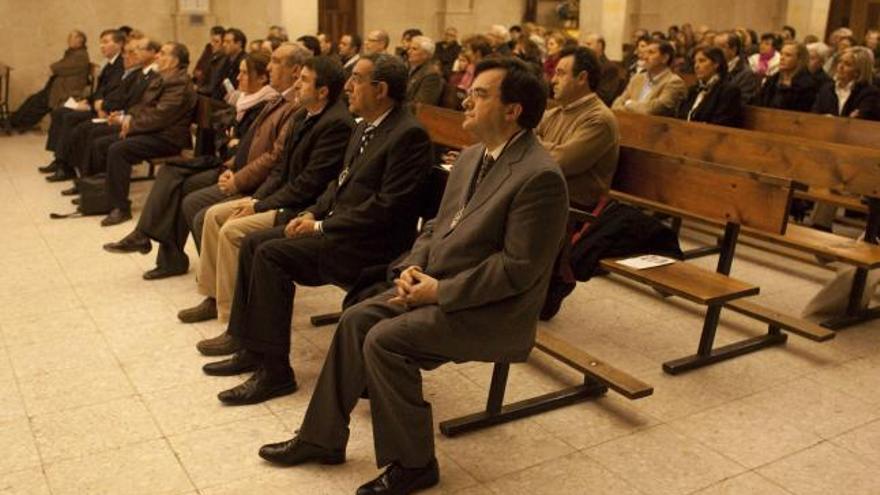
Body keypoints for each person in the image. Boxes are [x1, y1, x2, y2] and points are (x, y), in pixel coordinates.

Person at [256, 56, 567, 495]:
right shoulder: (472, 157)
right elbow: (438, 226)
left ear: (513, 109)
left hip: (490, 308)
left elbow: (518, 269)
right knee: (357, 319)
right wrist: (411, 267)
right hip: (435, 284)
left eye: (479, 94)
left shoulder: (539, 176)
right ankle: (321, 437)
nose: (466, 99)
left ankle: (415, 465)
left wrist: (441, 290)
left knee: (386, 341)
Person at [195, 53, 434, 405]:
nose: (349, 87)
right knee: (252, 242)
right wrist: (310, 212)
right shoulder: (364, 124)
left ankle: (275, 373)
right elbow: (337, 186)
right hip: (343, 231)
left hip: (371, 246)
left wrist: (321, 225)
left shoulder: (407, 134)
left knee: (271, 254)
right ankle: (251, 347)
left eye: (357, 80)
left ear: (380, 89)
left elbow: (386, 208)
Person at [180, 55, 354, 324]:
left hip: (300, 208)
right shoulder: (303, 115)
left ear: (323, 91)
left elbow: (308, 184)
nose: (296, 85)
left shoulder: (336, 124)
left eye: (304, 80)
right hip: (280, 198)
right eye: (297, 79)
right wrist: (257, 198)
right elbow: (280, 170)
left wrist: (260, 205)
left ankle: (231, 318)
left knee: (231, 230)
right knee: (214, 215)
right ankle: (214, 298)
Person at [102, 48, 299, 280]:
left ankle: (171, 254)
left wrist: (234, 169)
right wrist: (230, 151)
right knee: (172, 174)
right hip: (230, 164)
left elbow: (268, 155)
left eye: (245, 73)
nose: (238, 77)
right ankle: (164, 251)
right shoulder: (256, 101)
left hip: (243, 173)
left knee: (183, 188)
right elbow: (236, 140)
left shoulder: (273, 102)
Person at [91, 42, 197, 226]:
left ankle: (121, 208)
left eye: (163, 53)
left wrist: (130, 125)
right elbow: (143, 106)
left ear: (174, 61)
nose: (157, 56)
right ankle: (100, 196)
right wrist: (127, 116)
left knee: (119, 149)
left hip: (168, 138)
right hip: (154, 131)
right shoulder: (164, 77)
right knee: (103, 143)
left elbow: (161, 116)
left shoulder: (179, 82)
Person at [537, 46, 619, 207]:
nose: (553, 80)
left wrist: (535, 144)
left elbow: (559, 162)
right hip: (544, 196)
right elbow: (521, 140)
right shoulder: (555, 112)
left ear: (582, 78)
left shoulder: (599, 119)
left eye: (560, 74)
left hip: (571, 208)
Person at [41, 29, 126, 181]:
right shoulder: (110, 64)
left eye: (106, 42)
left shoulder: (120, 64)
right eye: (101, 42)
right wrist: (88, 100)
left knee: (70, 117)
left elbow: (114, 93)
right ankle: (59, 160)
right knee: (59, 112)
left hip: (107, 109)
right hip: (99, 105)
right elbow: (101, 90)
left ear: (119, 44)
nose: (102, 46)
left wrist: (95, 104)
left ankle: (66, 167)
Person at [10, 30, 91, 131]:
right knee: (32, 99)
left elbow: (62, 67)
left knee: (37, 103)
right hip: (59, 87)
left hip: (66, 90)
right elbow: (60, 66)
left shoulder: (80, 55)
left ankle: (17, 123)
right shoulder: (73, 53)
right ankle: (14, 120)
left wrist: (53, 68)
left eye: (72, 37)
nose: (68, 40)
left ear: (80, 40)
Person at [612, 39, 686, 116]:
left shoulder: (674, 82)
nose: (645, 57)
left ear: (665, 58)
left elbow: (652, 110)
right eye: (645, 53)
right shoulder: (637, 78)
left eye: (651, 52)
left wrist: (628, 103)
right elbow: (616, 105)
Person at [677, 46, 743, 126]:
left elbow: (720, 123)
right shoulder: (693, 90)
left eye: (702, 61)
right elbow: (680, 116)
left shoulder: (728, 91)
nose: (696, 66)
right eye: (695, 62)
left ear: (716, 64)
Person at [813, 47, 880, 119]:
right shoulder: (826, 89)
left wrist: (833, 121)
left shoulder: (869, 93)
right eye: (840, 61)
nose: (840, 66)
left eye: (847, 64)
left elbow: (861, 121)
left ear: (858, 71)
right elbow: (815, 115)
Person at [757, 41, 818, 112]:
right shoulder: (773, 80)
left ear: (799, 60)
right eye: (781, 54)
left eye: (788, 55)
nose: (782, 58)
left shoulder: (807, 85)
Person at [713, 31, 759, 104]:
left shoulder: (746, 74)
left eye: (721, 47)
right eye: (715, 47)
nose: (716, 51)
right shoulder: (713, 68)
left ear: (734, 49)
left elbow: (741, 102)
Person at [583, 33, 626, 106]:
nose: (585, 47)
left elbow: (604, 96)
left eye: (588, 44)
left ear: (599, 46)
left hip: (596, 108)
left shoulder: (610, 68)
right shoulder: (584, 64)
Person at [405, 36, 443, 106]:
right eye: (409, 48)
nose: (409, 52)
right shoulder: (412, 68)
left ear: (426, 54)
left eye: (414, 49)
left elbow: (421, 105)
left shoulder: (432, 75)